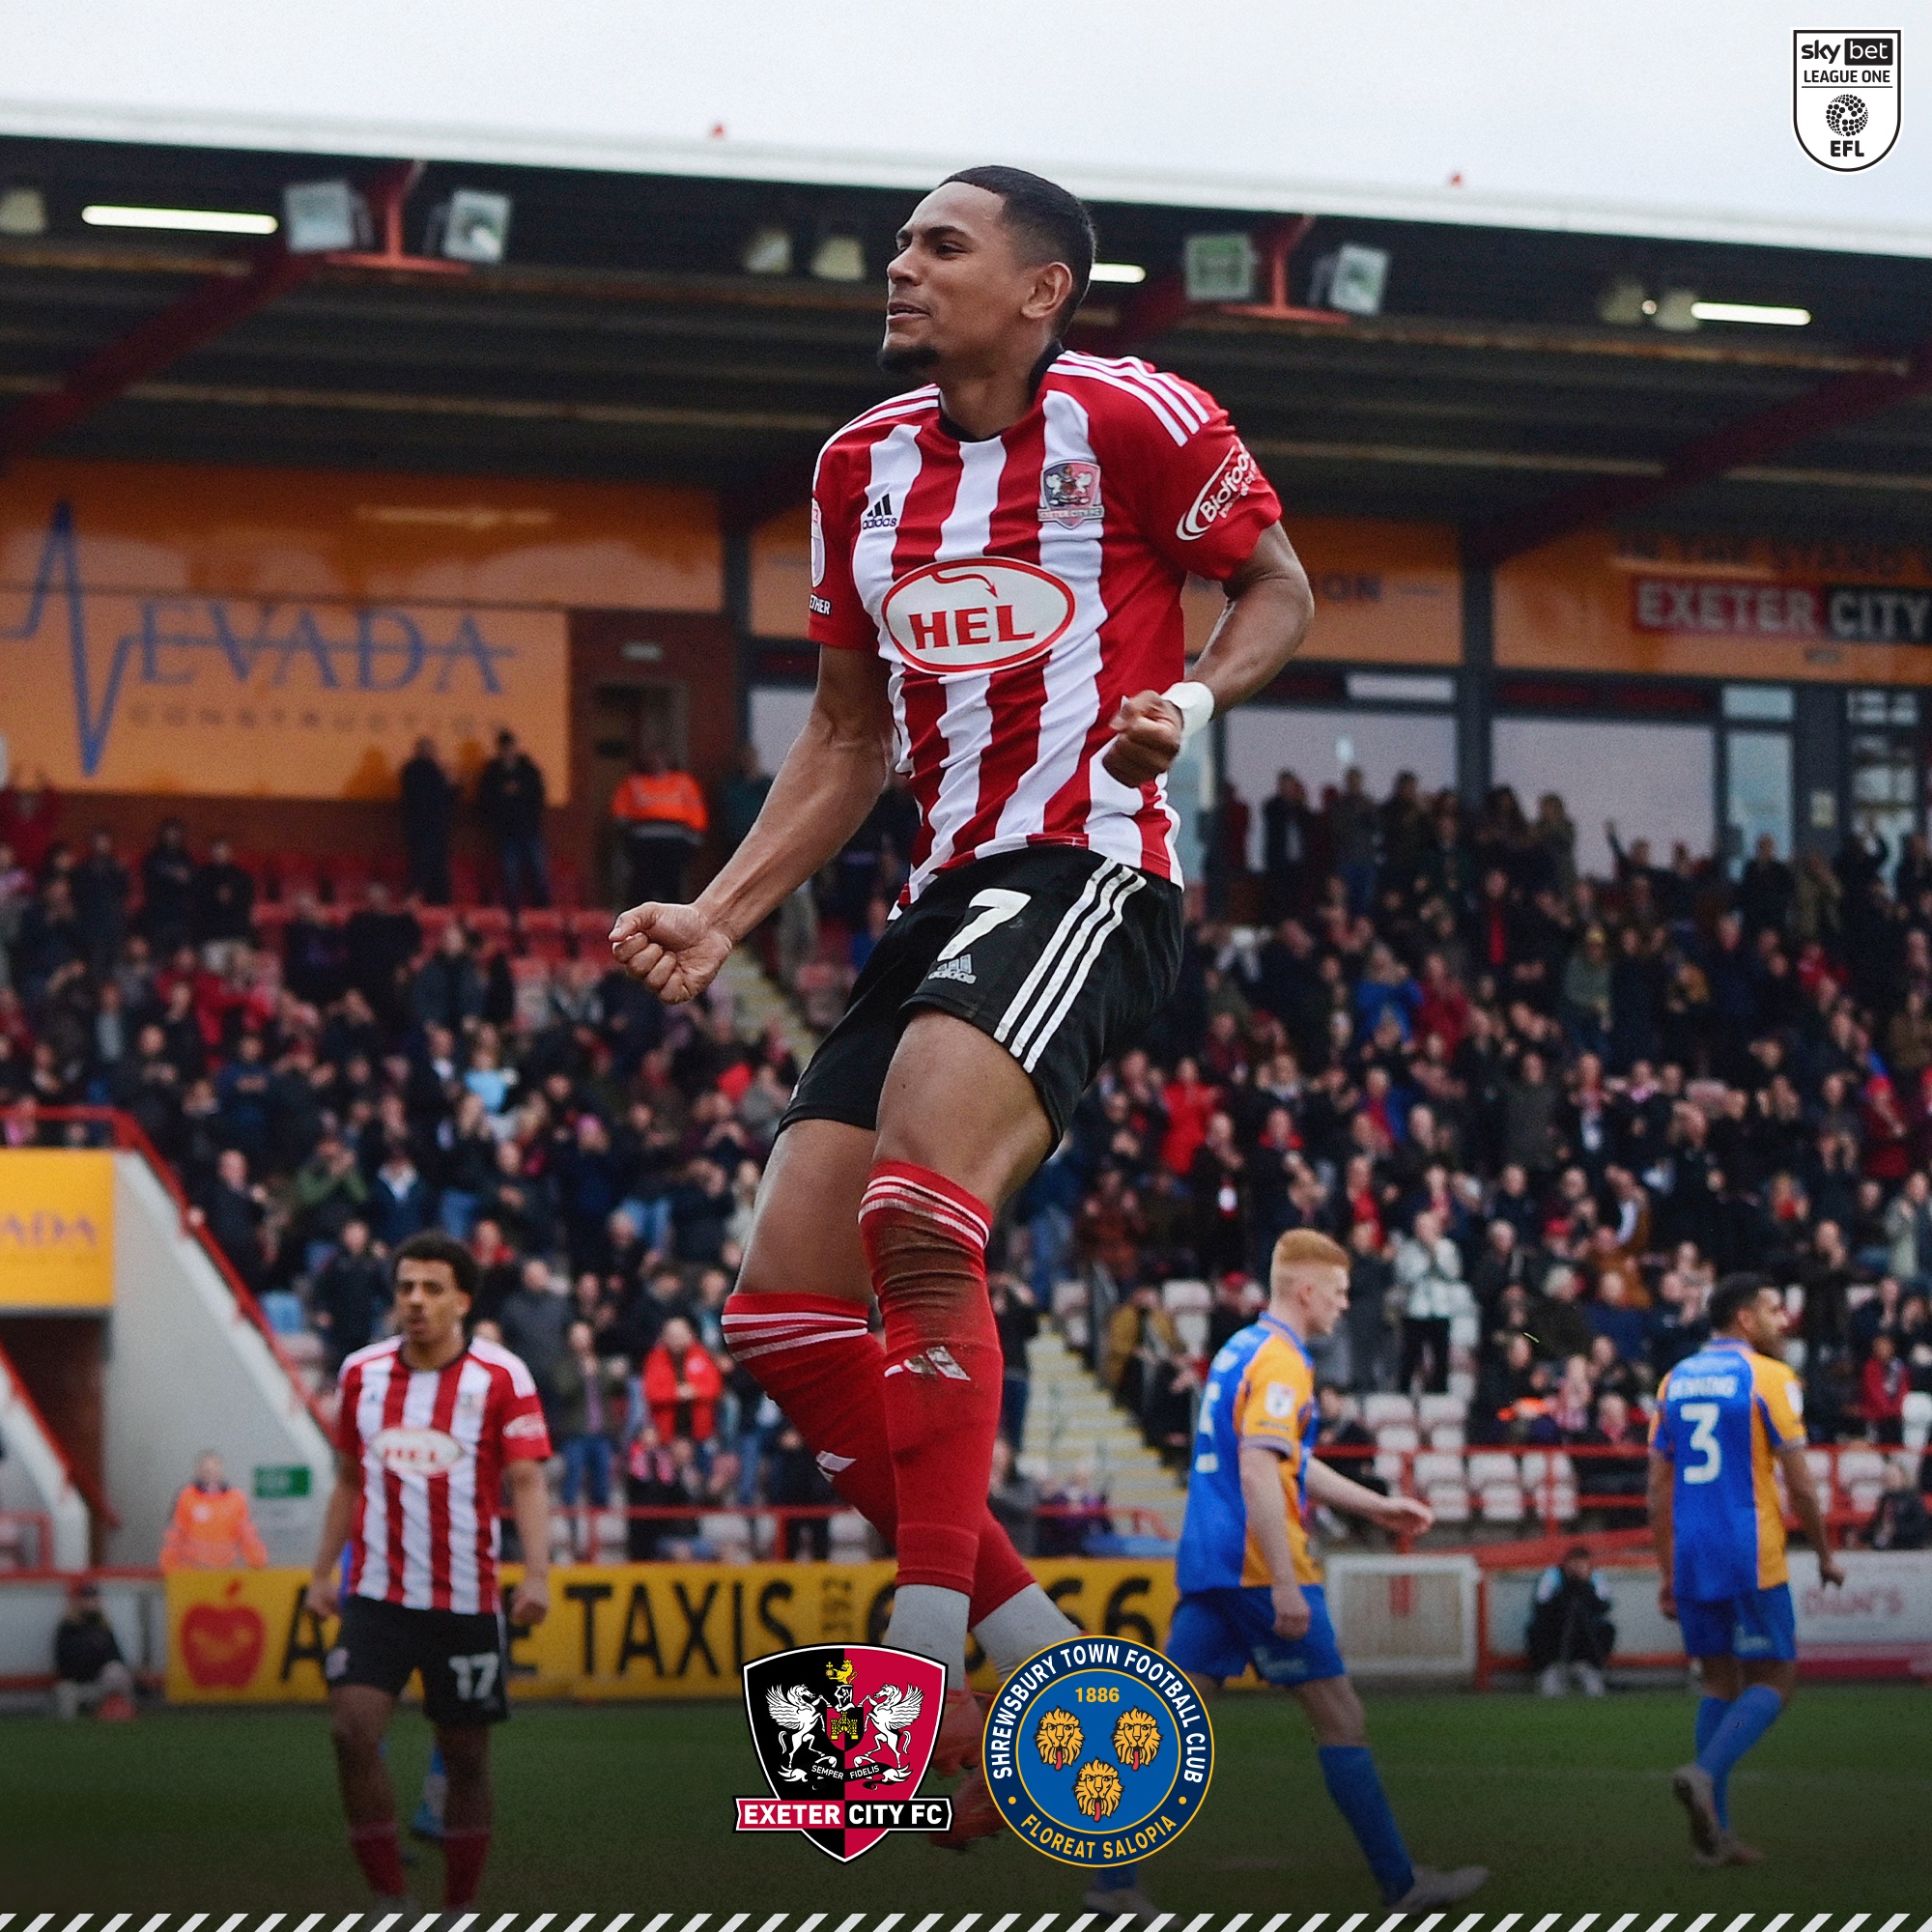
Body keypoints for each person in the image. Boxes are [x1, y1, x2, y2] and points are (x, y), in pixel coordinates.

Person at [615, 163, 1312, 1873]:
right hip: (945, 894)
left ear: (1043, 287)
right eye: (904, 240)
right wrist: (720, 909)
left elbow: (1281, 584)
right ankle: (1038, 1669)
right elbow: (849, 739)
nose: (902, 264)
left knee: (918, 1208)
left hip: (1088, 867)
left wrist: (1187, 701)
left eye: (943, 242)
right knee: (780, 1307)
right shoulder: (858, 470)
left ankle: (913, 1685)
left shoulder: (1136, 418)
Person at [1168, 1229, 1486, 1908]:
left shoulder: (1238, 1349)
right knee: (1342, 1717)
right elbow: (1259, 1466)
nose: (1345, 1306)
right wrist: (1286, 1581)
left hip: (1210, 1561)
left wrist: (1377, 1506)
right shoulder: (1283, 1362)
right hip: (1258, 1568)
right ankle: (1402, 1884)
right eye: (1339, 1293)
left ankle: (1111, 1883)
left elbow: (1281, 1457)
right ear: (1307, 1290)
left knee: (1168, 1727)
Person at [303, 1231, 553, 1908]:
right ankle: (389, 1900)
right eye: (406, 1286)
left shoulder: (501, 1377)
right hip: (376, 1595)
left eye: (432, 1288)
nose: (415, 1301)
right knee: (351, 1730)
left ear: (462, 1301)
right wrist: (322, 1573)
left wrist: (537, 1574)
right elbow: (350, 1479)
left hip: (466, 1600)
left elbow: (527, 1481)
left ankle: (458, 1909)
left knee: (467, 1758)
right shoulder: (361, 1373)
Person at [1648, 1271, 1845, 1867]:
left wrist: (1665, 1571)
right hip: (1749, 1548)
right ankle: (1705, 1773)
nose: (1784, 1320)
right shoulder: (1769, 1376)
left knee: (1718, 1682)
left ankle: (1717, 1837)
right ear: (1745, 1319)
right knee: (1777, 1679)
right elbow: (1802, 1484)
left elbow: (1657, 1491)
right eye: (1774, 1309)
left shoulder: (1674, 1379)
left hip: (1692, 1551)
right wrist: (1826, 1552)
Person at [611, 748, 709, 907]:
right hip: (643, 843)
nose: (657, 761)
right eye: (653, 757)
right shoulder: (634, 782)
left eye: (661, 757)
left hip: (675, 843)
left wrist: (695, 837)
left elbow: (696, 809)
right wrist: (625, 835)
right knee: (642, 886)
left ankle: (672, 927)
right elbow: (621, 812)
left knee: (672, 887)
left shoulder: (683, 782)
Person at [1526, 1545, 1615, 1696]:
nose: (1576, 1568)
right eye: (1573, 1563)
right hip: (1555, 1628)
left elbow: (1604, 1605)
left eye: (1581, 1564)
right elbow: (1541, 1605)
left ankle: (1589, 1667)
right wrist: (1566, 1591)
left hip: (1586, 1631)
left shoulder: (1596, 1577)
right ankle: (1550, 1669)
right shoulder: (1552, 1575)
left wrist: (1585, 1587)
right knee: (1537, 1629)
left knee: (1606, 1629)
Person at [475, 729, 549, 913]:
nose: (507, 751)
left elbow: (538, 795)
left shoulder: (528, 769)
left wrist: (519, 792)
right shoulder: (492, 772)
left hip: (529, 827)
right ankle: (513, 910)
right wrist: (502, 795)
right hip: (505, 830)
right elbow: (485, 799)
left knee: (538, 869)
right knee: (510, 873)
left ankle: (543, 909)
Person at [158, 1451, 270, 1570]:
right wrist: (169, 1564)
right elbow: (176, 1532)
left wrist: (257, 1560)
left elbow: (247, 1533)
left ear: (221, 1469)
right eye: (206, 1468)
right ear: (198, 1470)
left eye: (214, 1467)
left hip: (226, 1567)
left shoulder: (236, 1498)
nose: (210, 1472)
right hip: (193, 1568)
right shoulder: (186, 1496)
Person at [51, 1579, 137, 1721]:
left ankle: (122, 1713)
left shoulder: (103, 1626)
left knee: (117, 1672)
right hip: (75, 1681)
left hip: (101, 1680)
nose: (91, 1602)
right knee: (65, 1691)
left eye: (93, 1598)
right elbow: (64, 1662)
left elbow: (116, 1657)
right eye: (87, 1598)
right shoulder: (68, 1627)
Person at [399, 737, 457, 905]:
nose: (430, 753)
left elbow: (448, 798)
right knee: (420, 867)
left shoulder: (438, 770)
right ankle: (417, 902)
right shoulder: (411, 770)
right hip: (420, 827)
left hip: (438, 827)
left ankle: (439, 903)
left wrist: (453, 782)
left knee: (438, 867)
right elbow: (420, 798)